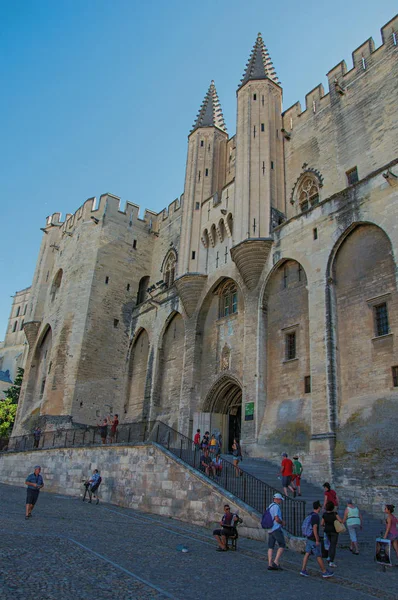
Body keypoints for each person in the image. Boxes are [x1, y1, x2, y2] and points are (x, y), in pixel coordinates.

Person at [300, 500, 334, 578]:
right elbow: (315, 528)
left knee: (307, 553)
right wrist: (317, 539)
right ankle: (324, 571)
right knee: (318, 555)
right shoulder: (315, 516)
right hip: (313, 538)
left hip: (309, 537)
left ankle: (303, 569)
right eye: (320, 507)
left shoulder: (311, 515)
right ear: (318, 507)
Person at [321, 500, 344, 568]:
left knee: (329, 544)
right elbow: (340, 521)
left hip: (327, 531)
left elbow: (322, 523)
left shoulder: (324, 514)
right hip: (334, 531)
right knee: (333, 545)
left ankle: (328, 557)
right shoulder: (335, 514)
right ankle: (331, 561)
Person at [267, 492, 286, 570]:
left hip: (270, 529)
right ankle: (276, 561)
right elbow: (277, 518)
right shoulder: (276, 507)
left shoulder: (270, 506)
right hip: (276, 528)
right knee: (282, 544)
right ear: (277, 499)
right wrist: (282, 522)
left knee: (270, 546)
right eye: (280, 500)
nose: (280, 501)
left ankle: (270, 564)